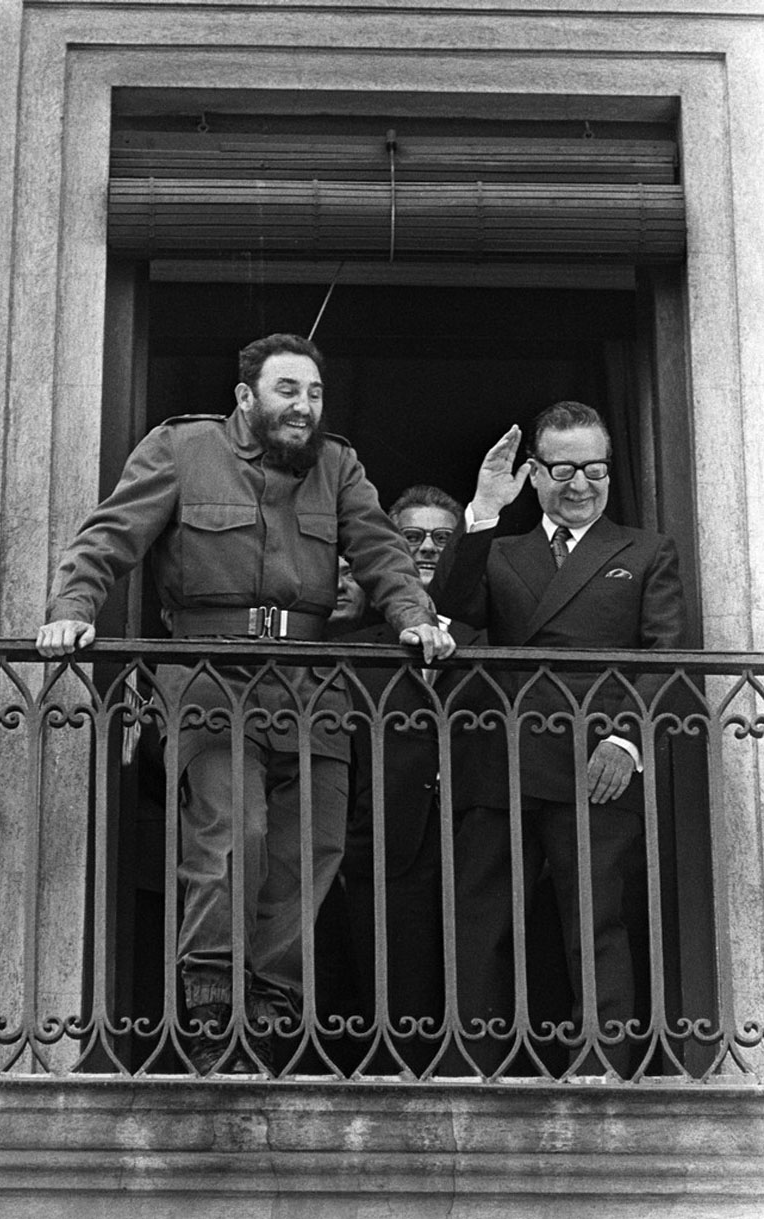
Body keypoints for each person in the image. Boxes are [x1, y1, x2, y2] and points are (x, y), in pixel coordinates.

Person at [36, 332, 454, 1074]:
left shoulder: (339, 464)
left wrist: (414, 615)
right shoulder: (180, 450)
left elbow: (382, 552)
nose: (304, 406)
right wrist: (74, 605)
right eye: (288, 390)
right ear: (245, 396)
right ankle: (212, 1012)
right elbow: (109, 536)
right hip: (208, 671)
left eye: (314, 393)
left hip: (309, 678)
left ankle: (266, 1013)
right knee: (235, 832)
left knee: (312, 847)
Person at [429, 402, 686, 1076]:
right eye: (565, 468)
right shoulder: (503, 550)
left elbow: (663, 657)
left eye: (595, 469)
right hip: (499, 755)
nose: (580, 484)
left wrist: (627, 742)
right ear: (536, 474)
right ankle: (469, 1062)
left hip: (595, 759)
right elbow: (453, 610)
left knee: (595, 918)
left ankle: (600, 1061)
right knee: (480, 919)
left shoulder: (646, 549)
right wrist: (481, 512)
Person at [340, 485, 489, 1074]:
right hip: (377, 843)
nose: (427, 549)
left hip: (474, 840)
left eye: (442, 539)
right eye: (412, 538)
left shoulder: (489, 642)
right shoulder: (351, 648)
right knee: (380, 988)